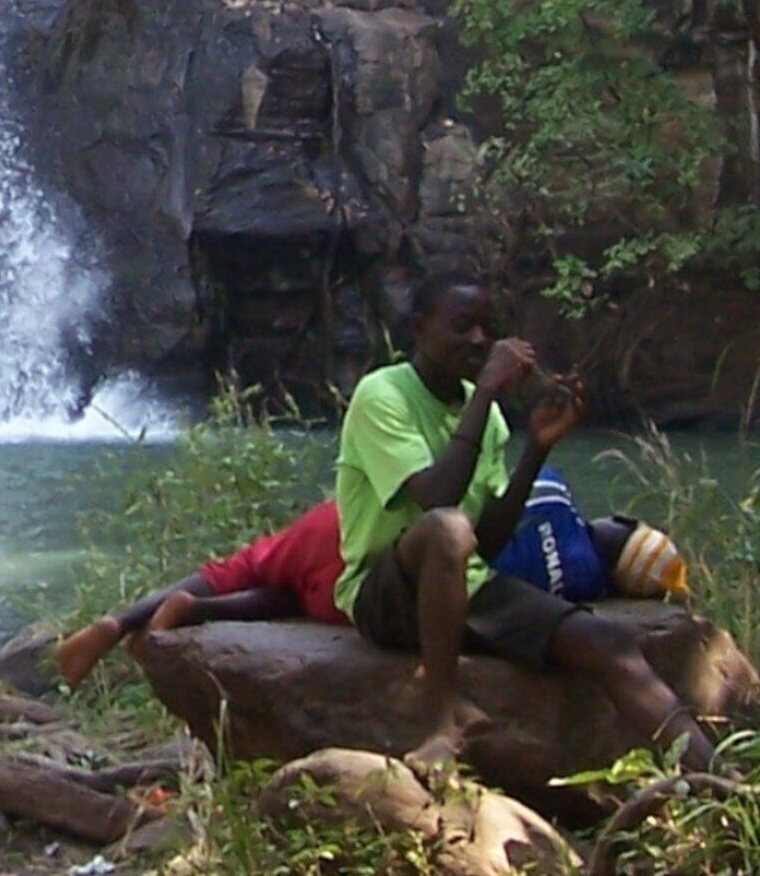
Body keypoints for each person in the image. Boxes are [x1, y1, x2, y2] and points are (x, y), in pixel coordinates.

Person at [334, 263, 723, 772]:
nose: (478, 340)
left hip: (462, 585)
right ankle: (441, 720)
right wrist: (491, 391)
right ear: (419, 328)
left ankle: (718, 779)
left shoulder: (486, 415)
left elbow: (488, 542)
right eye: (461, 325)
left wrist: (536, 448)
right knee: (447, 528)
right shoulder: (382, 395)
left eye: (485, 328)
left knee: (608, 642)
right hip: (385, 593)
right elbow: (438, 498)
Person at [52, 498, 347, 685]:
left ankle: (120, 622)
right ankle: (195, 610)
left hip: (334, 520)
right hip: (362, 555)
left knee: (241, 566)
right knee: (300, 599)